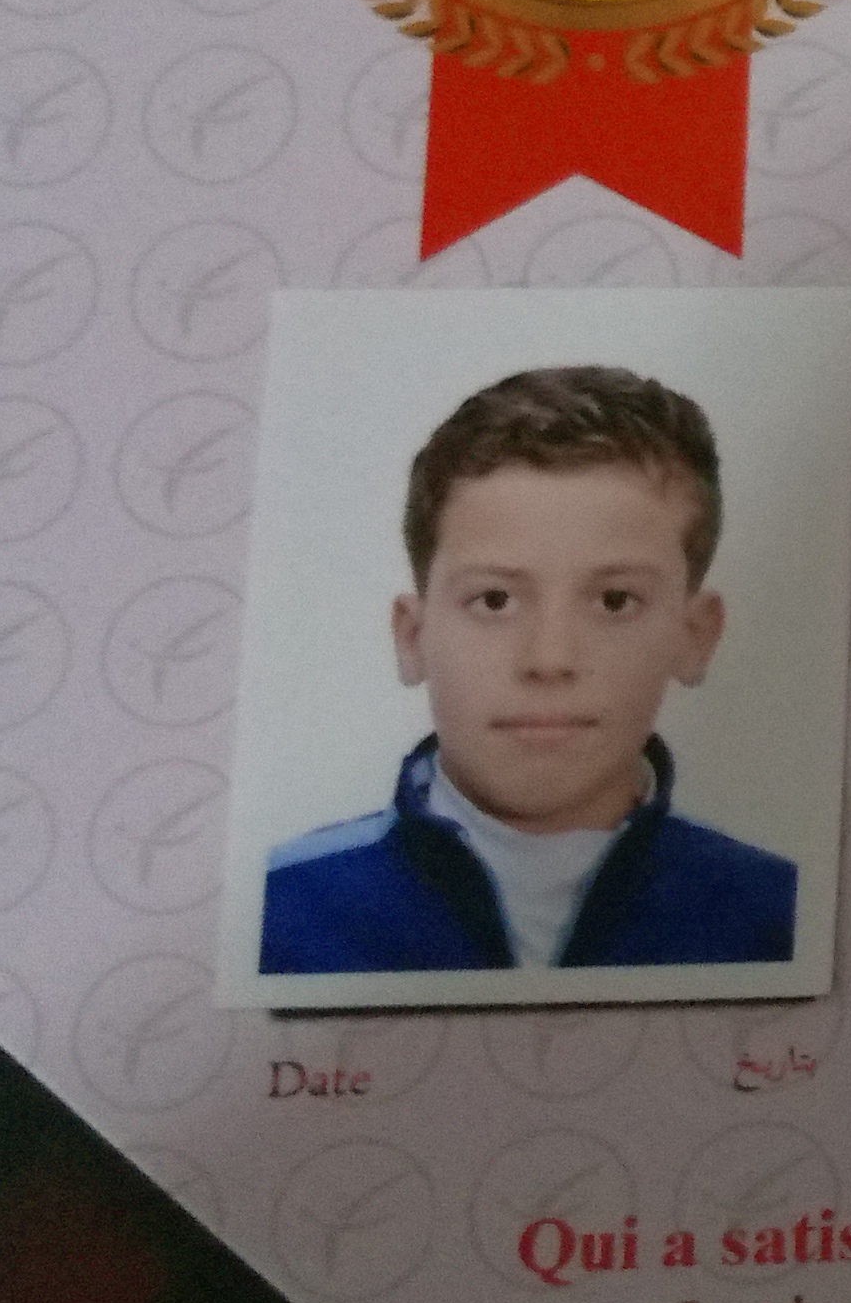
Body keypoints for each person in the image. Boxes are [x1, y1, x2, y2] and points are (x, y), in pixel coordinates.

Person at [261, 363, 798, 973]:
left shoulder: (779, 917)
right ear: (413, 637)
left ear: (694, 637)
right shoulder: (277, 912)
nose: (550, 660)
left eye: (614, 601)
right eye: (494, 601)